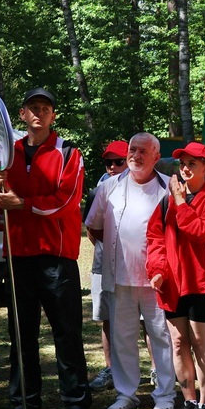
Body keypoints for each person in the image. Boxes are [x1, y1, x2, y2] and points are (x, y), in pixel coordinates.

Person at [0, 88, 91, 409]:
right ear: (22, 113)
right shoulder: (6, 153)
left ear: (52, 115)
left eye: (45, 108)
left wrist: (24, 204)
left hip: (55, 255)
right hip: (17, 255)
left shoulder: (68, 152)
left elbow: (66, 199)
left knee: (66, 331)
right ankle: (24, 403)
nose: (39, 114)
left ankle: (75, 401)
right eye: (33, 108)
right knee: (21, 332)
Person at [85, 133, 177, 409]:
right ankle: (126, 394)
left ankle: (165, 394)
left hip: (158, 278)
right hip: (120, 277)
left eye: (143, 151)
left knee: (161, 335)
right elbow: (94, 226)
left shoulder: (169, 188)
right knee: (122, 336)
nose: (135, 155)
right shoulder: (109, 187)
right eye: (132, 150)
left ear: (155, 156)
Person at [146, 141, 205, 409]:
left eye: (193, 163)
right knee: (178, 342)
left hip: (203, 284)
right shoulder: (166, 201)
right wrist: (156, 269)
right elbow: (154, 238)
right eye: (183, 164)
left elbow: (199, 231)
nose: (186, 168)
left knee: (199, 342)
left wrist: (181, 201)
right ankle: (188, 400)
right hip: (173, 283)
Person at [87, 140, 129, 392]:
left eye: (118, 161)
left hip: (137, 266)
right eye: (108, 162)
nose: (112, 166)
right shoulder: (98, 190)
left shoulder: (143, 186)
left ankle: (156, 370)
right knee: (106, 318)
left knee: (147, 321)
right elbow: (91, 230)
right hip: (103, 265)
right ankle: (111, 369)